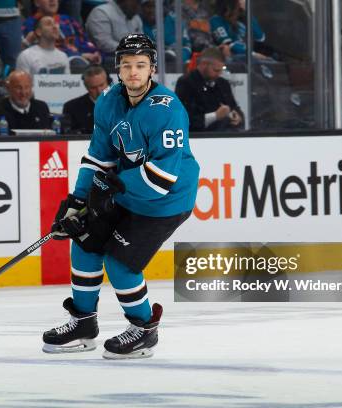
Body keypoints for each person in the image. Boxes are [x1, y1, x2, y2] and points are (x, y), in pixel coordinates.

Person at [43, 33, 199, 359]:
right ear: (118, 68)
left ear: (152, 68)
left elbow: (162, 176)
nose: (133, 72)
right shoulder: (108, 101)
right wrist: (79, 199)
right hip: (125, 189)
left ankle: (143, 329)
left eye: (140, 65)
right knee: (84, 240)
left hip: (165, 200)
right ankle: (83, 324)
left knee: (119, 262)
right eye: (127, 65)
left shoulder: (167, 109)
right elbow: (99, 157)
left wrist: (110, 190)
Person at [175, 47, 243, 131]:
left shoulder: (223, 83)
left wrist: (238, 116)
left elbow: (234, 107)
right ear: (203, 65)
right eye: (216, 70)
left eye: (221, 70)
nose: (219, 74)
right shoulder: (186, 83)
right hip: (199, 137)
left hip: (227, 134)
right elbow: (184, 120)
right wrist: (215, 116)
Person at [22, 0, 101, 65]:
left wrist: (95, 53)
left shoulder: (69, 20)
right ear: (37, 2)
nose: (52, 1)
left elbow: (85, 42)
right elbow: (45, 50)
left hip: (82, 58)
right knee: (78, 63)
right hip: (56, 62)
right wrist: (80, 55)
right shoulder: (31, 24)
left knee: (109, 61)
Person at [0, 70, 51, 134]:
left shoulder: (41, 107)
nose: (23, 93)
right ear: (8, 88)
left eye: (27, 87)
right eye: (18, 88)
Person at [140, 0, 191, 69]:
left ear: (163, 7)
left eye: (155, 6)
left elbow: (187, 46)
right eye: (148, 6)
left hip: (176, 66)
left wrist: (176, 57)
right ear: (141, 7)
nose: (151, 10)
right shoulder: (137, 22)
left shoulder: (175, 21)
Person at [62, 64, 110, 134]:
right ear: (86, 86)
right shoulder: (71, 107)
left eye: (101, 85)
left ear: (108, 82)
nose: (99, 91)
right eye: (93, 88)